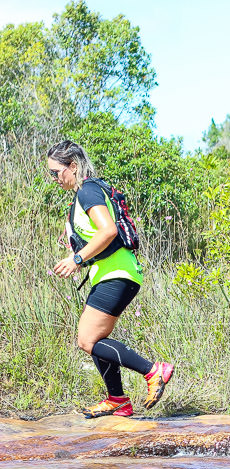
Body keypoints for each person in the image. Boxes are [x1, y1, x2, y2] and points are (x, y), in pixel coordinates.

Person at [46, 140, 173, 418]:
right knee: (96, 338)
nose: (54, 179)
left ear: (73, 166)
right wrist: (79, 252)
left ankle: (153, 371)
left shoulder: (88, 191)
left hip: (116, 274)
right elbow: (98, 237)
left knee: (86, 340)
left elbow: (108, 231)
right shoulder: (88, 192)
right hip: (115, 273)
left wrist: (77, 259)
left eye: (56, 172)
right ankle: (117, 399)